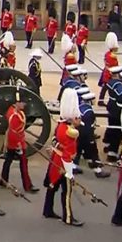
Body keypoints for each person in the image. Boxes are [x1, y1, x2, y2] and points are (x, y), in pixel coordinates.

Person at [42, 88, 83, 226]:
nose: (79, 120)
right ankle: (68, 217)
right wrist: (68, 170)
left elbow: (55, 141)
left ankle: (47, 210)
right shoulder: (71, 132)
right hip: (63, 163)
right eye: (77, 117)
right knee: (67, 191)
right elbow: (68, 154)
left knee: (53, 186)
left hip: (56, 159)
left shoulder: (61, 126)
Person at [1, 94, 39, 193]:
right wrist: (19, 146)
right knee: (23, 164)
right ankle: (28, 186)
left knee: (8, 161)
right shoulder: (15, 115)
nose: (24, 104)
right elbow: (14, 132)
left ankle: (3, 180)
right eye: (22, 103)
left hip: (13, 142)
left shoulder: (13, 111)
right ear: (17, 103)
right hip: (17, 143)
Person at [74, 90, 112, 178]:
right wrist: (91, 139)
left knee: (78, 152)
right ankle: (98, 171)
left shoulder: (80, 107)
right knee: (93, 153)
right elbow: (88, 128)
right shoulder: (89, 112)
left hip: (79, 134)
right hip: (86, 136)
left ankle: (73, 167)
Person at [98, 32, 120, 104]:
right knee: (110, 87)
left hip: (106, 72)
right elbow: (115, 66)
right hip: (111, 73)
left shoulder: (107, 53)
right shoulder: (113, 56)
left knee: (105, 87)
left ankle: (100, 100)